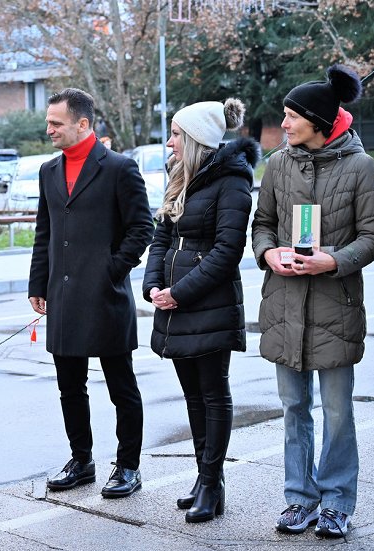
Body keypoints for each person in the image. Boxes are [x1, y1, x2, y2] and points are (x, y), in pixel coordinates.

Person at [252, 64, 374, 539]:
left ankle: (337, 502)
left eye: (291, 116)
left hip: (335, 307)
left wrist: (334, 261)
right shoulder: (278, 164)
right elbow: (262, 223)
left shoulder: (361, 168)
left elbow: (373, 235)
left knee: (338, 413)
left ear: (318, 121)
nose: (283, 124)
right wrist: (269, 253)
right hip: (284, 304)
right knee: (293, 408)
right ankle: (299, 499)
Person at [28, 88, 154, 498]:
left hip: (105, 296)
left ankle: (129, 466)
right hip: (62, 297)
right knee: (69, 387)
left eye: (56, 123)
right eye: (48, 122)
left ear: (82, 124)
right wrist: (38, 283)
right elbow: (44, 232)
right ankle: (81, 461)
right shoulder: (48, 171)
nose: (49, 129)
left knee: (121, 387)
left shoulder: (119, 167)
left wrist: (111, 270)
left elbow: (142, 228)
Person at [142, 98, 257, 522]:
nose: (169, 142)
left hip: (208, 302)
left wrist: (181, 293)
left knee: (213, 393)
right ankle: (203, 477)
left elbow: (228, 251)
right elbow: (162, 238)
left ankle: (212, 483)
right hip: (175, 303)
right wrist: (153, 285)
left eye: (175, 134)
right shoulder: (180, 175)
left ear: (194, 139)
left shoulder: (232, 181)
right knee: (193, 395)